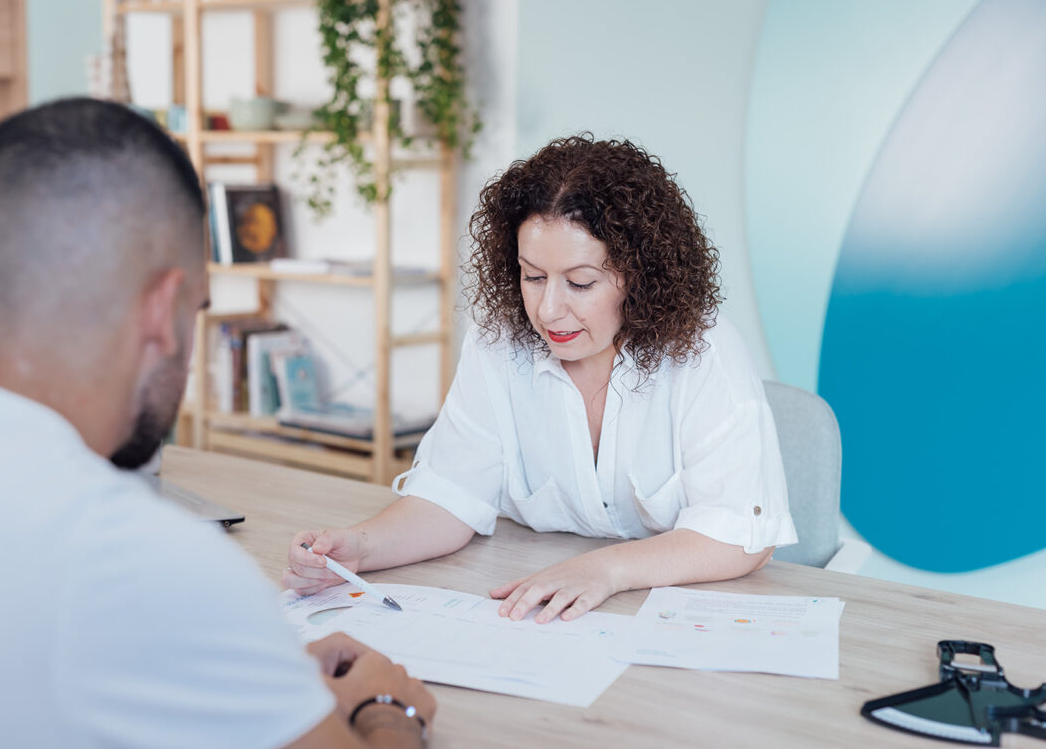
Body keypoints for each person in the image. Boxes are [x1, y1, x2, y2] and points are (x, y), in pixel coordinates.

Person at [0, 98, 438, 749]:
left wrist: (251, 689)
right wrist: (386, 710)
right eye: (199, 311)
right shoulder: (147, 561)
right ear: (164, 310)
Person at [285, 135, 797, 624]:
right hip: (541, 608)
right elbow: (451, 495)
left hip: (666, 616)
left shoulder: (703, 349)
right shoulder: (498, 343)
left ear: (641, 276)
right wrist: (362, 547)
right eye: (533, 276)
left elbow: (739, 535)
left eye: (580, 282)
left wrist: (605, 570)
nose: (549, 309)